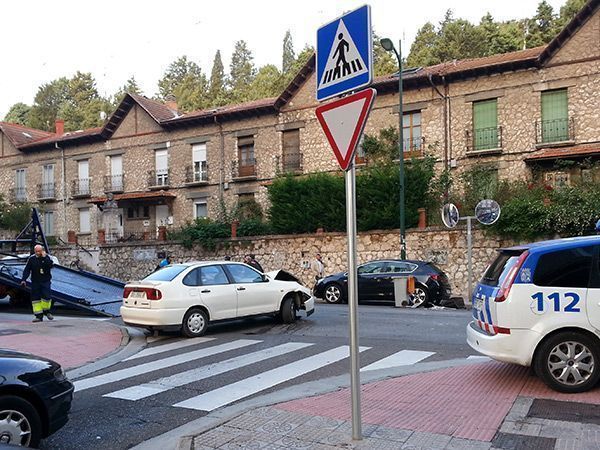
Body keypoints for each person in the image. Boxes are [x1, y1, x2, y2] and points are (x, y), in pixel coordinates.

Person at [20, 244, 54, 322]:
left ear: (42, 251)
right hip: (35, 282)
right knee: (35, 299)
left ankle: (47, 311)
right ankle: (38, 316)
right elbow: (27, 270)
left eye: (39, 251)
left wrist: (44, 257)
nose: (38, 253)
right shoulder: (32, 259)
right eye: (36, 251)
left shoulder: (47, 257)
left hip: (45, 281)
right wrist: (23, 279)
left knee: (47, 297)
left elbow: (50, 265)